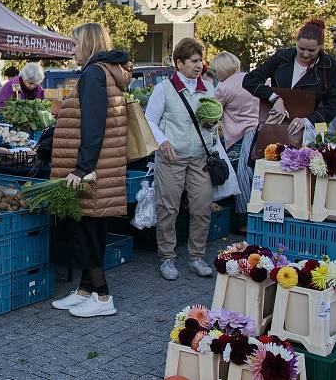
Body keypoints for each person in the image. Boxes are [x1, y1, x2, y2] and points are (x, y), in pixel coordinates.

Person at [49, 23, 130, 318]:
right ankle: (86, 290)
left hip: (92, 171)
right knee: (88, 229)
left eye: (74, 44)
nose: (71, 50)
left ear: (88, 44)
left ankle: (103, 295)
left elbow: (94, 127)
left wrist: (81, 168)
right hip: (101, 168)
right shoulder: (106, 73)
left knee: (86, 233)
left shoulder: (95, 74)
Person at [145, 38, 216, 281]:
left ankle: (197, 256)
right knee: (168, 208)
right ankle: (167, 258)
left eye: (201, 61)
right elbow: (150, 120)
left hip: (199, 157)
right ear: (179, 63)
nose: (199, 65)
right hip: (171, 157)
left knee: (202, 206)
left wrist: (212, 123)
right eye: (194, 61)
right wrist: (162, 142)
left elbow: (212, 121)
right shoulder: (163, 89)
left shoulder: (208, 88)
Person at [243, 18, 336, 138]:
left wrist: (308, 120)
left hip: (308, 132)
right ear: (296, 42)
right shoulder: (281, 57)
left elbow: (334, 103)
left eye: (311, 50)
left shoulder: (330, 66)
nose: (306, 54)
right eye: (301, 48)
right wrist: (274, 98)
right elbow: (250, 80)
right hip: (274, 126)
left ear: (320, 47)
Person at [212, 51, 259, 233]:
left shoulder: (223, 88)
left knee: (242, 175)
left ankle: (243, 219)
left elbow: (214, 114)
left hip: (241, 136)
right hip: (261, 132)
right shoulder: (252, 78)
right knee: (256, 175)